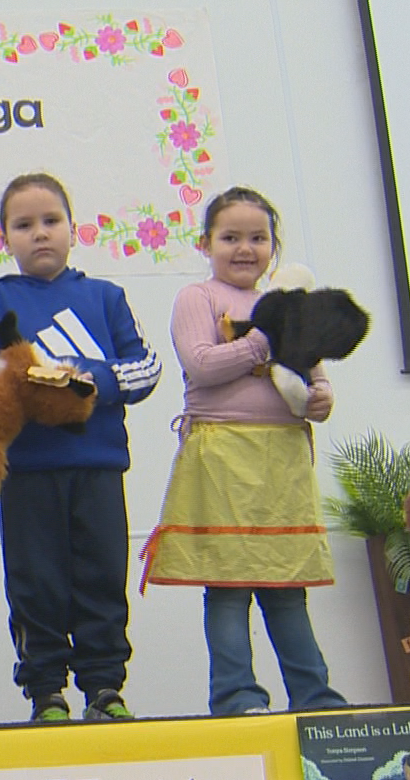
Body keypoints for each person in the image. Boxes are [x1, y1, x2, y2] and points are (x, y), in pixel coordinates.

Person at [0, 172, 161, 722]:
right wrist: (28, 382)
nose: (39, 234)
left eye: (50, 221)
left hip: (97, 470)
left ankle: (105, 688)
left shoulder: (106, 297)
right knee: (35, 581)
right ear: (5, 237)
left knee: (102, 576)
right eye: (24, 225)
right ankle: (46, 692)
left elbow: (146, 367)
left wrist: (84, 382)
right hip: (27, 473)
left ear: (73, 229)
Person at [141, 187, 347, 714]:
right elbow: (204, 365)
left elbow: (313, 377)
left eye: (258, 238)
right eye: (230, 237)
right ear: (206, 242)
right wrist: (265, 337)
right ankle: (236, 697)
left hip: (281, 459)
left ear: (273, 247)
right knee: (228, 587)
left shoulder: (292, 306)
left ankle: (315, 697)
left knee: (286, 586)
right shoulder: (197, 297)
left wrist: (321, 397)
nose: (244, 248)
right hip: (220, 456)